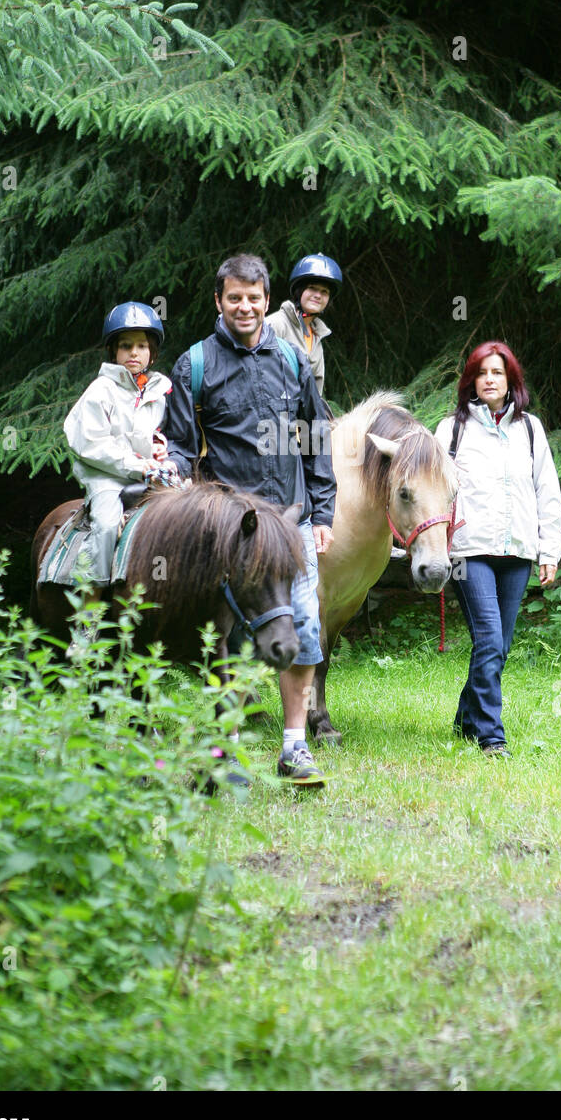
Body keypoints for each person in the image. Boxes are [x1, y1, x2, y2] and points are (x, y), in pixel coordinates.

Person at [167, 253, 336, 786]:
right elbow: (177, 447)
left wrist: (324, 510)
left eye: (254, 297)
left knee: (304, 628)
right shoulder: (194, 365)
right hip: (230, 531)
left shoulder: (292, 359)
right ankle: (229, 750)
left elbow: (316, 435)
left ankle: (294, 747)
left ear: (267, 301)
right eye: (234, 297)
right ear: (218, 301)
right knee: (230, 636)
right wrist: (171, 480)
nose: (245, 307)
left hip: (291, 523)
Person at [434, 340, 561, 757]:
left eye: (498, 373)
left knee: (499, 645)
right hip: (469, 552)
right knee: (489, 638)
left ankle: (465, 718)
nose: (489, 380)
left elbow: (548, 490)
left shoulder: (530, 429)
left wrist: (549, 551)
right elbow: (432, 492)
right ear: (471, 380)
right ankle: (491, 736)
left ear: (511, 381)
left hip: (518, 550)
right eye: (482, 372)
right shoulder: (451, 429)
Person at [64, 302, 174, 606]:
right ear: (114, 351)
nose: (134, 353)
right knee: (107, 524)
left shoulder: (160, 391)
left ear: (152, 351)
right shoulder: (101, 390)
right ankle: (88, 613)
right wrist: (137, 464)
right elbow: (89, 442)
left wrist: (160, 448)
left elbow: (161, 431)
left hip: (149, 473)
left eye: (141, 345)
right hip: (108, 477)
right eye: (126, 346)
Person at [265, 253, 342, 398]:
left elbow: (316, 394)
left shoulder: (317, 336)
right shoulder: (275, 324)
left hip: (299, 419)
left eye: (324, 291)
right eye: (312, 288)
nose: (318, 295)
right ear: (299, 291)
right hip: (268, 415)